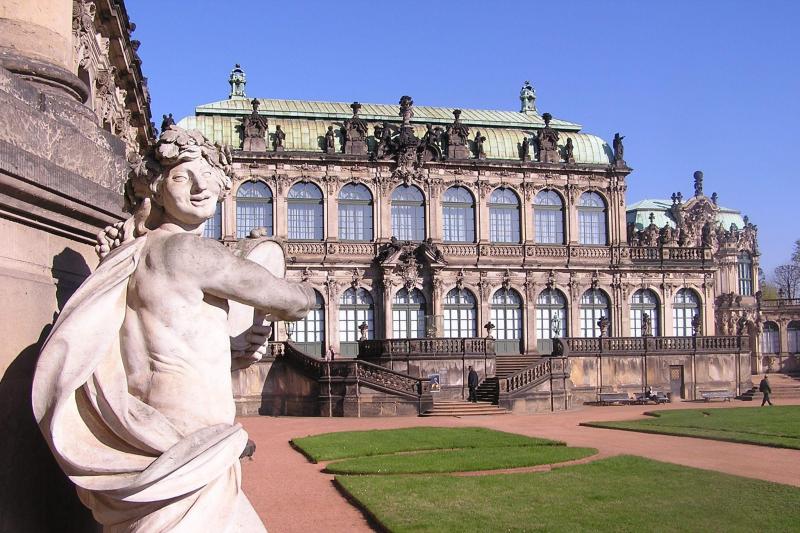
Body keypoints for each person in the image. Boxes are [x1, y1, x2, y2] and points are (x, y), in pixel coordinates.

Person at [32, 126, 315, 531]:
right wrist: (298, 287)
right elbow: (292, 301)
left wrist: (235, 348)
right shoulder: (192, 251)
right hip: (191, 440)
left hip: (141, 431)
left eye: (208, 177)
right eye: (183, 176)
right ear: (158, 187)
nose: (200, 187)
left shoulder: (130, 254)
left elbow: (158, 343)